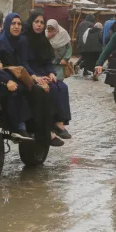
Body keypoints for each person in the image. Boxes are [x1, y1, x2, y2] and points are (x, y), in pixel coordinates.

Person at [0, 13, 61, 147]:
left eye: (19, 24)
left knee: (42, 91)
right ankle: (23, 127)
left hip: (20, 76)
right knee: (26, 91)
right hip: (5, 77)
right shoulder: (2, 42)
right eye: (13, 24)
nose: (16, 27)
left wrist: (34, 78)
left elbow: (24, 64)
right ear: (7, 25)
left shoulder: (21, 41)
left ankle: (44, 130)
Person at [26, 10, 72, 140]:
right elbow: (23, 62)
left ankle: (59, 123)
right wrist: (35, 76)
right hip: (31, 72)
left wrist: (51, 72)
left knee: (61, 86)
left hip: (44, 72)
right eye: (36, 22)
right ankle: (49, 126)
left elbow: (47, 61)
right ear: (31, 22)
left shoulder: (43, 40)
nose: (39, 25)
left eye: (42, 22)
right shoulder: (25, 39)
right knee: (49, 89)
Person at [104, 19, 116, 88]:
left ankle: (113, 84)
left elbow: (106, 42)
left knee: (112, 69)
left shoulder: (110, 32)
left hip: (112, 54)